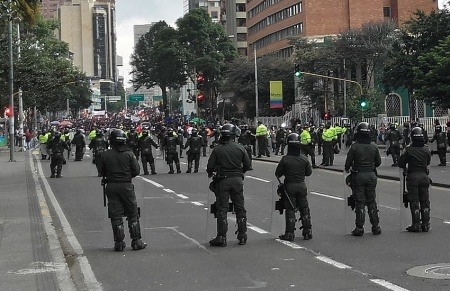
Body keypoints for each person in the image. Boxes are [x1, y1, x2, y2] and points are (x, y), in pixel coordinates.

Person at [97, 129, 147, 251]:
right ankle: (137, 241)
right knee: (132, 213)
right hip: (126, 185)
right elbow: (136, 170)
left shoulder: (106, 154)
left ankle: (119, 243)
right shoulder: (129, 154)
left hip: (112, 186)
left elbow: (101, 171)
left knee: (116, 215)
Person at [207, 123, 251, 247]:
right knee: (240, 208)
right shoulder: (240, 148)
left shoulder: (218, 149)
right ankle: (242, 235)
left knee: (222, 208)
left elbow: (210, 166)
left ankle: (221, 237)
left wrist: (212, 172)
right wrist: (239, 172)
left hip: (223, 180)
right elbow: (247, 165)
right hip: (237, 180)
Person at [345, 122, 382, 236]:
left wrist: (349, 169)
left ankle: (359, 227)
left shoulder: (354, 147)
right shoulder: (374, 146)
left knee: (360, 202)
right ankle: (375, 227)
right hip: (371, 175)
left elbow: (348, 164)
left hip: (358, 175)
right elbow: (378, 162)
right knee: (371, 201)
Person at [275, 132, 313, 241]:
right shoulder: (304, 158)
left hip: (289, 186)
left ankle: (290, 233)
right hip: (301, 185)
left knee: (290, 209)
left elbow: (278, 173)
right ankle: (307, 231)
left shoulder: (285, 159)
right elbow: (309, 173)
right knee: (304, 208)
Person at [398, 127, 431, 232]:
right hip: (424, 177)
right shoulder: (426, 149)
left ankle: (416, 224)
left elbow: (401, 163)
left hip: (412, 177)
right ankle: (426, 224)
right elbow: (428, 162)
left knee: (414, 201)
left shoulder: (408, 149)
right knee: (425, 201)